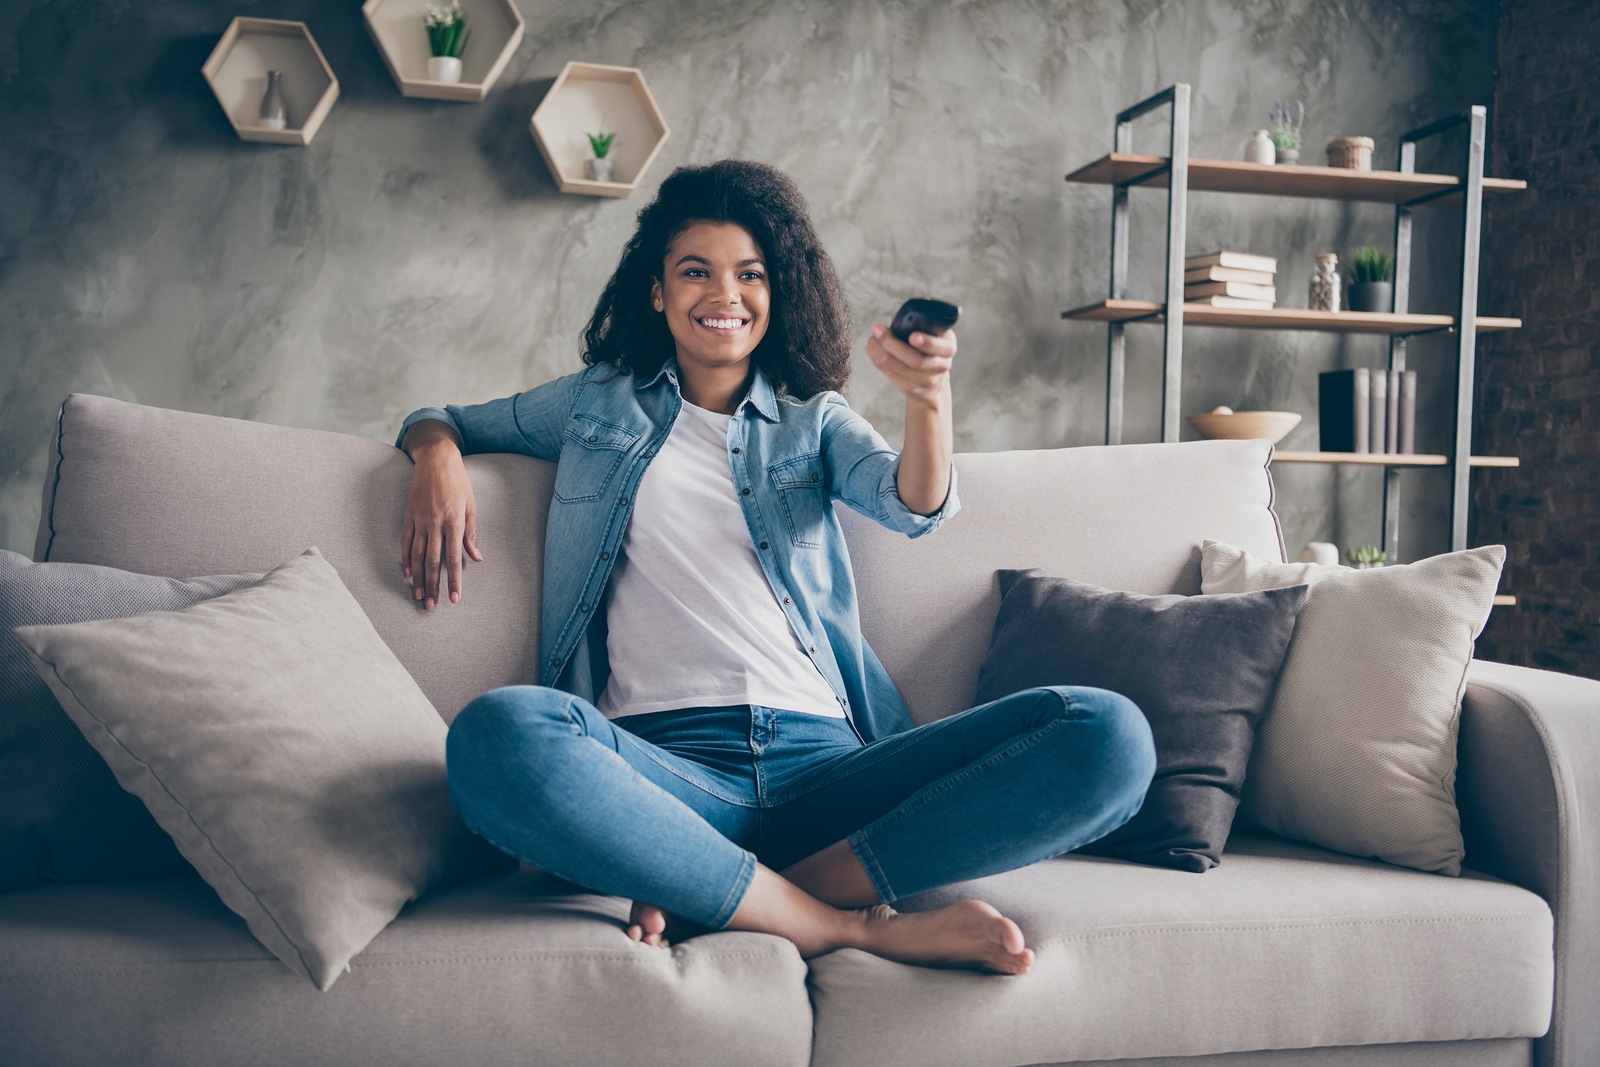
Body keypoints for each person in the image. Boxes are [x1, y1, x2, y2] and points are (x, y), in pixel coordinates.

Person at [396, 160, 1155, 975]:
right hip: (666, 782)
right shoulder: (596, 405)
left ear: (775, 292)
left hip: (830, 777)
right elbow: (442, 417)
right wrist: (436, 454)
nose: (725, 293)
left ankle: (745, 895)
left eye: (749, 274)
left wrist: (928, 397)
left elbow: (911, 503)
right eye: (696, 271)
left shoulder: (813, 421)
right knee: (497, 735)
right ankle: (846, 926)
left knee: (1110, 734)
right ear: (657, 292)